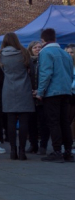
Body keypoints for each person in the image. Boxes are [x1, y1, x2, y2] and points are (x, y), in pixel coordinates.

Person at [36, 28, 74, 162]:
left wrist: (40, 92)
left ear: (43, 40)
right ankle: (68, 151)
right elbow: (70, 73)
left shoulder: (45, 52)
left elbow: (46, 73)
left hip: (52, 92)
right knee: (64, 122)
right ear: (55, 38)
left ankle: (57, 151)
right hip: (66, 91)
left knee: (53, 122)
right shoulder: (65, 54)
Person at [0, 32, 35, 160]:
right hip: (24, 89)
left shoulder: (1, 55)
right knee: (24, 122)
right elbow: (32, 71)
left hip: (8, 89)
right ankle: (22, 151)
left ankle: (12, 151)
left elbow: (1, 73)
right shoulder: (24, 53)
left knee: (11, 121)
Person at [27, 40, 44, 153]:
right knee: (31, 122)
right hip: (30, 95)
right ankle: (33, 144)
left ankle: (43, 145)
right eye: (35, 48)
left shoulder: (44, 61)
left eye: (39, 47)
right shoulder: (27, 63)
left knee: (43, 122)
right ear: (31, 50)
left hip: (42, 96)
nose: (37, 49)